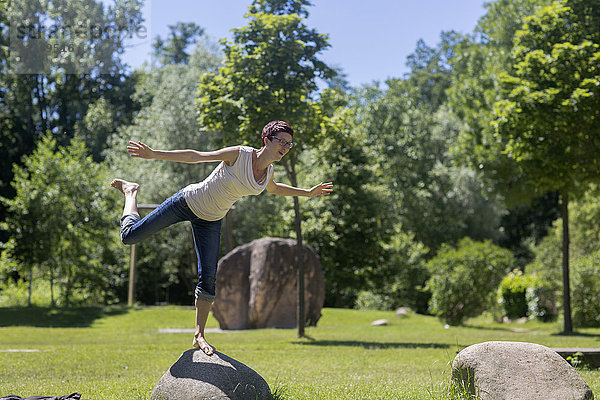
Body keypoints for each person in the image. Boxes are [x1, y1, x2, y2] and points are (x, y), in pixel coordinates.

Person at [110, 120, 333, 355]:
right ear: (266, 140)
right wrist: (154, 154)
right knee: (130, 236)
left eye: (289, 144)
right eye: (282, 142)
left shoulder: (268, 172)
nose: (286, 147)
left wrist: (307, 193)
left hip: (211, 220)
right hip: (186, 202)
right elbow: (197, 156)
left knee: (208, 278)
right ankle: (130, 192)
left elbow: (275, 188)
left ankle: (199, 335)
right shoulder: (239, 155)